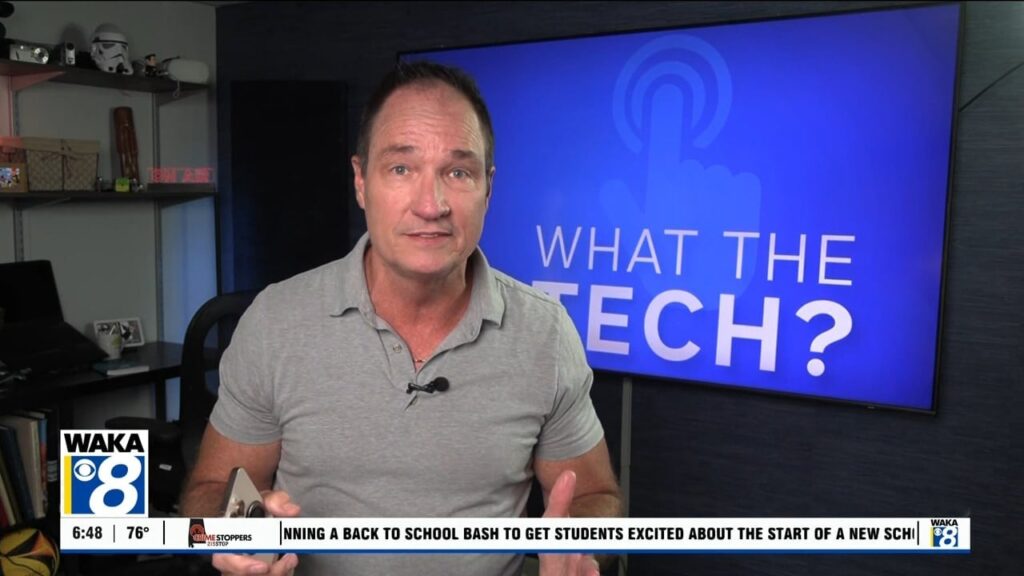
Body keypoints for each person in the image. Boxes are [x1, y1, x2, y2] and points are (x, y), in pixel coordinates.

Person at [180, 60, 621, 576]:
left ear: (488, 187)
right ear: (360, 181)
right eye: (401, 169)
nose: (431, 205)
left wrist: (579, 544)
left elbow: (595, 495)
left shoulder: (544, 333)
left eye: (458, 172)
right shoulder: (275, 322)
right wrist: (232, 538)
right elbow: (205, 496)